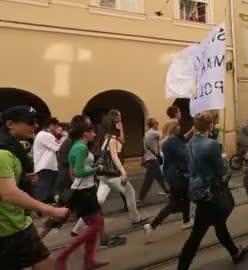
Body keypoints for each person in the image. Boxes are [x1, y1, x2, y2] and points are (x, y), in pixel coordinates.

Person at [0, 105, 70, 270]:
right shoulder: (3, 152)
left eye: (36, 121)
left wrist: (23, 179)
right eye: (30, 122)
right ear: (10, 124)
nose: (36, 126)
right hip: (8, 225)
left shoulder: (13, 145)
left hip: (15, 222)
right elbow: (8, 193)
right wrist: (51, 210)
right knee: (45, 264)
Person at [178, 111, 248, 270]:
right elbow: (221, 171)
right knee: (197, 235)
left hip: (196, 191)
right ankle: (182, 265)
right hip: (210, 194)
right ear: (210, 125)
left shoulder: (188, 144)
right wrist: (223, 158)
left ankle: (235, 252)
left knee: (219, 225)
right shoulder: (211, 145)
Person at [72, 110, 147, 236]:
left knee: (98, 200)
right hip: (112, 174)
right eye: (119, 120)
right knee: (130, 192)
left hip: (103, 174)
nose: (121, 122)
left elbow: (122, 142)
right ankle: (136, 219)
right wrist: (123, 172)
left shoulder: (106, 137)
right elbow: (115, 157)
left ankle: (76, 228)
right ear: (115, 123)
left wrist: (121, 129)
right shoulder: (112, 139)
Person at [55, 117, 109, 270]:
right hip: (84, 191)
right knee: (95, 225)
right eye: (92, 131)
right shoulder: (81, 148)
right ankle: (62, 255)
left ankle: (89, 260)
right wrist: (96, 169)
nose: (94, 134)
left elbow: (77, 168)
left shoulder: (78, 146)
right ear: (85, 133)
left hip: (85, 189)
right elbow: (78, 172)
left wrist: (93, 164)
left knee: (95, 224)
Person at [144, 119, 192, 242]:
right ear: (173, 128)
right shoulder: (173, 141)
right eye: (178, 126)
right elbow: (184, 155)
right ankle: (152, 225)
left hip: (173, 174)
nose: (180, 128)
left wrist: (192, 132)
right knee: (175, 202)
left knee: (186, 198)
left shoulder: (168, 140)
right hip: (178, 175)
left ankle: (186, 221)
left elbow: (183, 144)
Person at [32, 117, 62, 204]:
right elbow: (59, 146)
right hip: (46, 166)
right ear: (52, 125)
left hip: (47, 166)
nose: (57, 128)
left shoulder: (42, 134)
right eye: (56, 126)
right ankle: (38, 208)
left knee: (48, 191)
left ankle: (43, 208)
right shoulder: (45, 135)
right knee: (43, 190)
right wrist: (63, 136)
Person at [139, 117, 169, 203]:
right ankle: (140, 199)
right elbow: (165, 137)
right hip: (152, 160)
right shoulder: (153, 133)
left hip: (150, 159)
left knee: (159, 178)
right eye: (156, 123)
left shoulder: (147, 133)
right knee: (150, 180)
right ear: (153, 124)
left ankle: (170, 193)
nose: (158, 124)